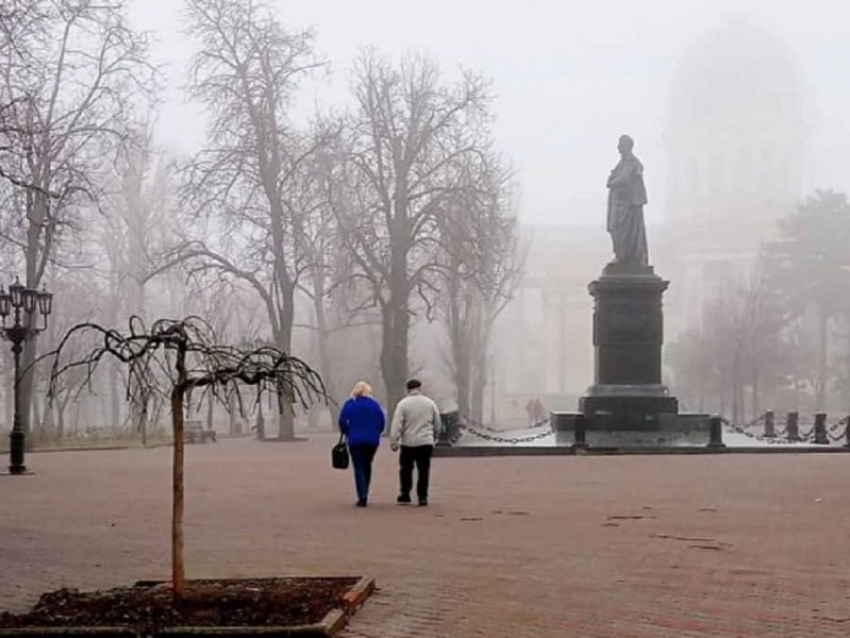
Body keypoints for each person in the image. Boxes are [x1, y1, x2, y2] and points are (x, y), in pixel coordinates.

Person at [390, 379, 442, 506]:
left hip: (408, 442)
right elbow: (437, 423)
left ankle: (405, 494)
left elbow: (397, 424)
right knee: (423, 470)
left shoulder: (403, 404)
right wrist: (435, 437)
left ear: (408, 389)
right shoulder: (430, 403)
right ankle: (422, 496)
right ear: (420, 388)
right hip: (425, 441)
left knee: (406, 469)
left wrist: (394, 441)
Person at [338, 381, 385, 507]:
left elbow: (342, 421)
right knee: (367, 464)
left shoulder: (350, 404)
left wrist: (348, 431)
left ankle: (362, 495)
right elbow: (381, 422)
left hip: (355, 440)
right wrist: (376, 432)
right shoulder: (375, 405)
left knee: (358, 467)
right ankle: (365, 489)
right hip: (372, 441)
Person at [606, 134, 649, 266]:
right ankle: (621, 255)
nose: (617, 147)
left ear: (625, 146)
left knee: (624, 230)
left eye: (620, 144)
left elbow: (624, 178)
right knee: (615, 228)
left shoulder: (631, 162)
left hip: (628, 204)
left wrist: (611, 182)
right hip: (620, 203)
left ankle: (624, 256)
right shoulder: (623, 163)